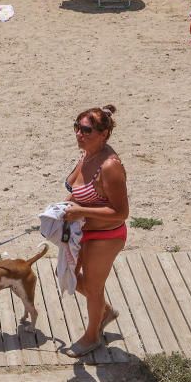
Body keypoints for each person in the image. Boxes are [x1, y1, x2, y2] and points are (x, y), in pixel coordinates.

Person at [62, 105, 129, 357]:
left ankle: (92, 337)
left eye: (87, 130)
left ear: (104, 134)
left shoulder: (110, 166)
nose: (79, 133)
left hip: (106, 236)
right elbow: (78, 191)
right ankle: (105, 311)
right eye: (77, 127)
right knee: (68, 275)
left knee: (92, 288)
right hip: (82, 231)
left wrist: (82, 212)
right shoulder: (87, 154)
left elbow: (121, 213)